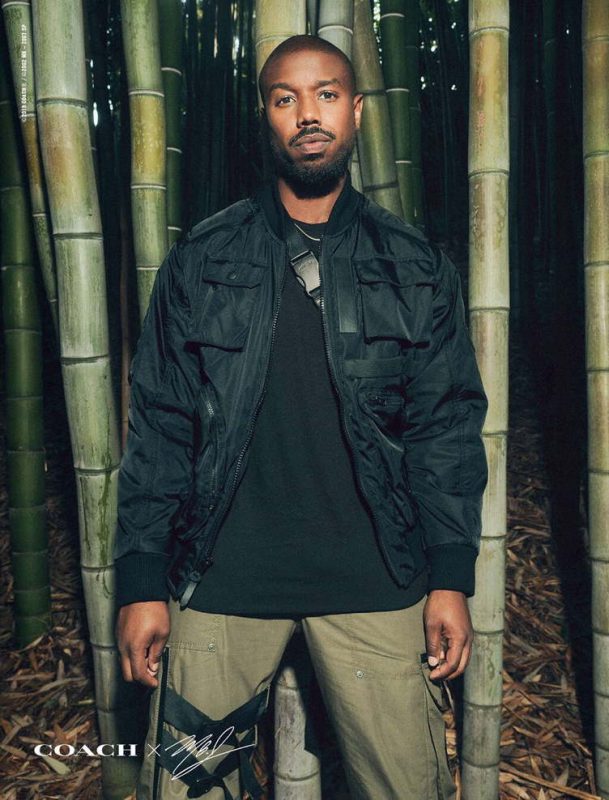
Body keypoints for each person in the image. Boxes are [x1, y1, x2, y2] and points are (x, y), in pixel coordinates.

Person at [114, 34, 488, 800]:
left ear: (356, 111)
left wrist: (450, 577)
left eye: (325, 95)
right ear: (265, 115)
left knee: (406, 787)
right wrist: (142, 579)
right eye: (285, 98)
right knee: (188, 786)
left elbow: (444, 431)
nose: (306, 114)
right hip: (223, 584)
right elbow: (160, 426)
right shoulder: (203, 260)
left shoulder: (412, 267)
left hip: (374, 580)